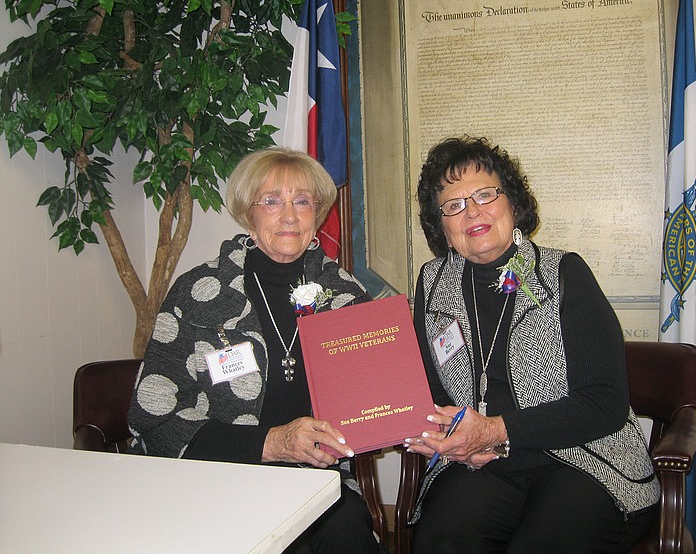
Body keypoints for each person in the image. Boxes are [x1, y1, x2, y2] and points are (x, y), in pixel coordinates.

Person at [405, 136, 660, 553]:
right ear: (442, 227)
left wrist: (495, 431)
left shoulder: (565, 274)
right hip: (481, 464)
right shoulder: (433, 284)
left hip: (584, 458)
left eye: (485, 194)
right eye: (453, 205)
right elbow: (428, 389)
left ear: (512, 203)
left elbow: (605, 402)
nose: (472, 211)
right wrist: (452, 439)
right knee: (441, 539)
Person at [128, 147, 380, 554]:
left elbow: (376, 406)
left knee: (347, 535)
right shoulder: (198, 293)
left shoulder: (347, 297)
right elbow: (152, 418)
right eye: (272, 201)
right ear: (249, 212)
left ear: (317, 214)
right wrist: (272, 443)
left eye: (302, 201)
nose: (289, 215)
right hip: (216, 479)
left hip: (316, 482)